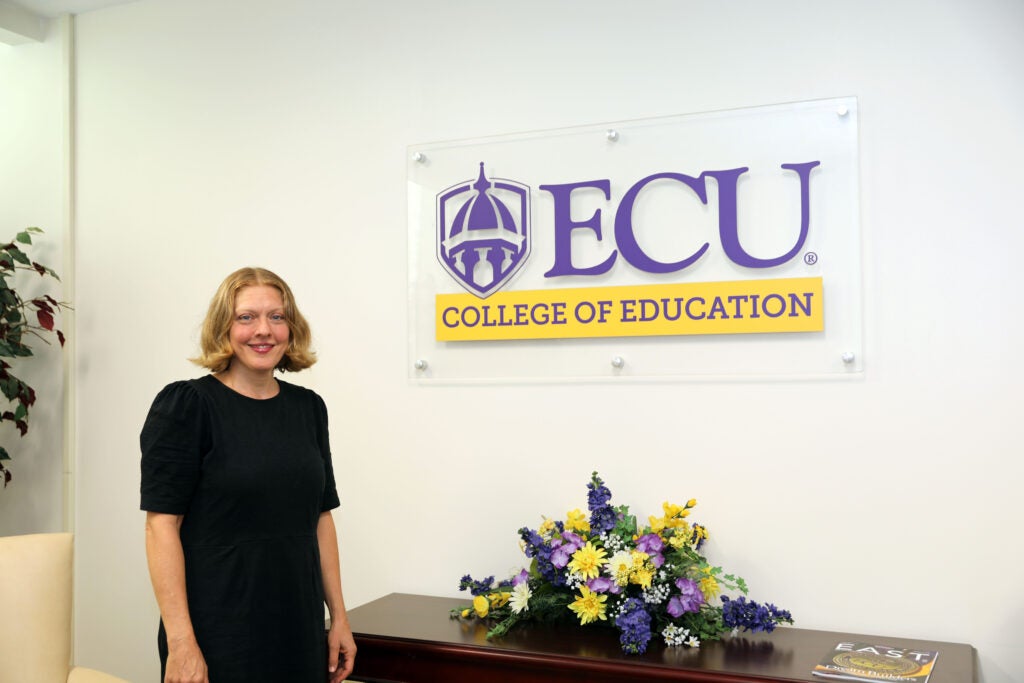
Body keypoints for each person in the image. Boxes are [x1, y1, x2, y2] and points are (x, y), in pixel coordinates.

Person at [140, 267, 356, 683]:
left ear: (292, 328)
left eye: (277, 317)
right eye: (246, 317)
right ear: (224, 327)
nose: (264, 331)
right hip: (218, 633)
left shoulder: (309, 408)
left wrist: (339, 619)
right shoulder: (187, 407)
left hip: (298, 626)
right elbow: (161, 526)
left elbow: (321, 517)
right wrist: (183, 643)